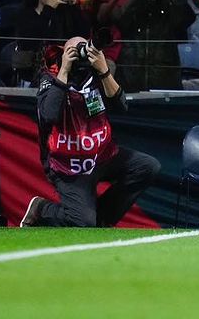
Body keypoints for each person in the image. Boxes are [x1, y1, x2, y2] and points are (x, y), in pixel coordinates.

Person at [20, 37, 160, 228]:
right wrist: (64, 71)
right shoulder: (50, 76)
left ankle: (100, 220)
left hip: (102, 155)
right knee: (82, 222)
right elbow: (48, 115)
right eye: (73, 52)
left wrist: (104, 71)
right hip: (69, 165)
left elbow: (121, 107)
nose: (80, 58)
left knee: (148, 167)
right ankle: (41, 209)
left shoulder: (95, 72)